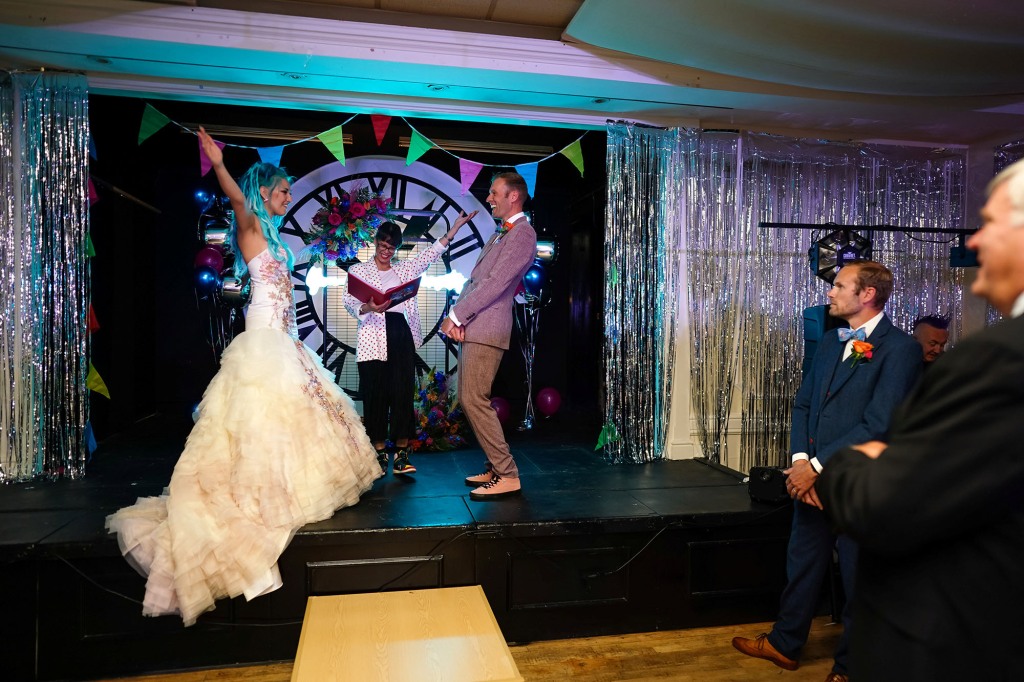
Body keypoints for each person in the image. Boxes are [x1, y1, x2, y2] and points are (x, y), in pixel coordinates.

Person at [105, 128, 381, 626]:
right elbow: (235, 197)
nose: (288, 198)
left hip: (285, 338)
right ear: (262, 194)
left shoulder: (273, 236)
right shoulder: (250, 227)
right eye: (282, 192)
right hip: (262, 338)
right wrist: (218, 162)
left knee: (295, 418)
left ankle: (286, 489)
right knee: (258, 420)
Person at [817, 159, 1024, 681]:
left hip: (953, 646)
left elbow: (887, 506)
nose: (973, 243)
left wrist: (849, 465)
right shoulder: (826, 339)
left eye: (992, 224)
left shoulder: (999, 359)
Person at [732, 259, 922, 682]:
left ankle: (852, 668)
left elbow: (880, 424)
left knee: (859, 580)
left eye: (839, 285)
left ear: (867, 294)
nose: (830, 293)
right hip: (811, 483)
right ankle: (785, 644)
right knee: (801, 565)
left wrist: (816, 467)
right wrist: (801, 461)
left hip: (857, 485)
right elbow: (803, 404)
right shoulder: (833, 340)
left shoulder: (902, 349)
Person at [343, 214, 476, 475]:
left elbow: (430, 255)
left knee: (402, 394)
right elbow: (349, 303)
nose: (385, 251)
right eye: (382, 245)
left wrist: (455, 229)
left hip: (400, 334)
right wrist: (369, 306)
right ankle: (379, 454)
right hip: (372, 336)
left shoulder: (404, 269)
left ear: (396, 248)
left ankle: (402, 454)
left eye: (391, 247)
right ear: (376, 242)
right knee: (375, 395)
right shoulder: (358, 271)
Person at [440, 172, 537, 501]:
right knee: (470, 398)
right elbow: (477, 281)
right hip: (477, 324)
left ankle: (507, 473)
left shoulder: (523, 234)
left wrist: (455, 315)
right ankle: (497, 466)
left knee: (473, 399)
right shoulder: (504, 232)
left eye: (494, 193)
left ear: (514, 197)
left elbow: (494, 285)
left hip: (488, 326)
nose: (489, 198)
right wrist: (461, 315)